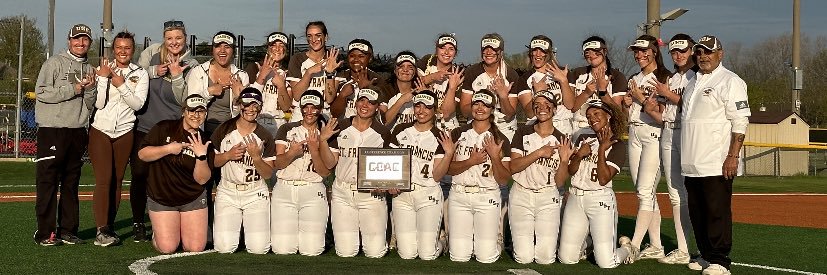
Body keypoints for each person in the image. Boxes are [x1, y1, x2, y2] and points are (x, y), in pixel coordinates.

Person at [681, 35, 749, 275]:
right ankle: (706, 255)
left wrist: (732, 156)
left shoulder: (731, 81)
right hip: (691, 162)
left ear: (721, 53)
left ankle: (720, 260)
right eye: (699, 52)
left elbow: (740, 121)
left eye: (709, 52)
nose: (703, 56)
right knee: (697, 212)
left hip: (716, 162)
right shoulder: (692, 81)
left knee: (716, 212)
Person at [131, 20, 198, 242]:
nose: (174, 42)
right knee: (140, 175)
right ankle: (138, 222)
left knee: (169, 177)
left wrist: (177, 75)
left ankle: (175, 221)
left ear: (185, 38)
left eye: (178, 38)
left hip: (172, 129)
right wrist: (153, 71)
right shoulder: (151, 53)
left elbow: (186, 101)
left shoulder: (193, 64)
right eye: (169, 38)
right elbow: (135, 75)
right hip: (146, 127)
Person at [33, 23, 97, 246]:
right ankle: (45, 233)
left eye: (85, 39)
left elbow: (91, 102)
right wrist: (74, 89)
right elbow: (41, 93)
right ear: (69, 41)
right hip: (52, 130)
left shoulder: (90, 69)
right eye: (77, 39)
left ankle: (68, 230)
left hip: (77, 131)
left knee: (71, 184)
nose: (81, 43)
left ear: (90, 42)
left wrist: (88, 90)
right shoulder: (54, 63)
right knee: (48, 182)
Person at [458, 33, 519, 253]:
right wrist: (480, 106)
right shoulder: (473, 72)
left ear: (501, 51)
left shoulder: (510, 73)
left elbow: (511, 113)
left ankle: (499, 234)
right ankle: (470, 230)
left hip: (503, 127)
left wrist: (502, 95)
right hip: (478, 124)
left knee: (500, 180)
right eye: (486, 49)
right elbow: (464, 107)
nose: (489, 52)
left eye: (493, 49)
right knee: (473, 171)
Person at [319, 88, 397, 258]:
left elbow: (389, 168)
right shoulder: (339, 127)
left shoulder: (383, 133)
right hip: (343, 192)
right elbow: (330, 163)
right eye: (362, 100)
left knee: (375, 253)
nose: (365, 105)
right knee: (346, 252)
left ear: (377, 107)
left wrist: (384, 184)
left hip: (371, 196)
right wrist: (323, 140)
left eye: (371, 102)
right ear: (355, 103)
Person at [557, 101, 636, 268]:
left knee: (607, 262)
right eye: (589, 116)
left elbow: (603, 179)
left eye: (596, 114)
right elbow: (571, 171)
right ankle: (591, 243)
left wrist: (601, 149)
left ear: (608, 116)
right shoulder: (582, 138)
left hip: (600, 199)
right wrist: (578, 156)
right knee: (566, 258)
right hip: (576, 198)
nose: (592, 118)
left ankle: (628, 249)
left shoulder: (617, 145)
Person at [89, 31, 148, 247]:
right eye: (119, 47)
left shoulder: (140, 74)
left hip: (125, 132)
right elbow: (99, 103)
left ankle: (109, 227)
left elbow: (138, 104)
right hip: (101, 130)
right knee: (104, 179)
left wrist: (120, 83)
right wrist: (104, 78)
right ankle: (101, 230)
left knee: (117, 181)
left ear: (133, 50)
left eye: (127, 48)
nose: (123, 51)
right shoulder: (102, 69)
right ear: (114, 49)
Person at [645, 33, 699, 265]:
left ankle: (688, 248)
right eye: (674, 52)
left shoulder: (697, 76)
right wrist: (649, 107)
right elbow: (664, 114)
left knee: (689, 193)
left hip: (688, 134)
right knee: (674, 192)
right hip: (668, 131)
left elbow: (696, 106)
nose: (677, 56)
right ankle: (682, 248)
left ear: (692, 51)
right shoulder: (674, 78)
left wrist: (668, 95)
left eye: (682, 51)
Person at [138, 94, 213, 254]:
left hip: (192, 197)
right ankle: (160, 234)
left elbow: (202, 180)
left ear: (205, 114)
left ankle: (188, 231)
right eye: (191, 111)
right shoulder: (164, 127)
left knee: (195, 248)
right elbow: (142, 154)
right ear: (183, 112)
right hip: (162, 197)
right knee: (168, 247)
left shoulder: (205, 140)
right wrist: (168, 149)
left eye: (200, 111)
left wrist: (201, 156)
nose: (196, 115)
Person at [623, 34, 673, 261]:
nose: (639, 55)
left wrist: (639, 98)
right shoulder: (634, 77)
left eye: (644, 50)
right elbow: (628, 115)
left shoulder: (663, 77)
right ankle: (656, 245)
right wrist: (626, 104)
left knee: (645, 191)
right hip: (634, 132)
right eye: (636, 51)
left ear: (654, 51)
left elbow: (663, 115)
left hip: (653, 134)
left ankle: (633, 245)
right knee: (644, 193)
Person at [388, 90, 455, 260]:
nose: (421, 111)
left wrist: (448, 154)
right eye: (418, 106)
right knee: (407, 254)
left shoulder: (440, 135)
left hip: (428, 193)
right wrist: (391, 183)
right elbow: (390, 163)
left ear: (435, 110)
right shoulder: (401, 129)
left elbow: (438, 176)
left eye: (427, 107)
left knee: (427, 254)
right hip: (402, 195)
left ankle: (442, 242)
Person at [508, 90, 572, 264]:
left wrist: (565, 160)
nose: (542, 108)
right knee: (524, 258)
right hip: (521, 194)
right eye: (537, 105)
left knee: (545, 259)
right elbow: (514, 167)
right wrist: (539, 153)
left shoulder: (562, 139)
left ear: (554, 108)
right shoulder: (522, 132)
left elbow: (559, 181)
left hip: (547, 195)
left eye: (547, 105)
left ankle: (579, 244)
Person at [447, 89, 511, 263]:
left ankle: (494, 242)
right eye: (476, 103)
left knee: (485, 257)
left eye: (485, 104)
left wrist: (495, 158)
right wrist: (471, 161)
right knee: (459, 257)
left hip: (487, 196)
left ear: (492, 109)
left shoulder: (500, 138)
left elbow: (504, 179)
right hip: (459, 195)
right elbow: (449, 169)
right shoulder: (458, 133)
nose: (480, 108)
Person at [211, 88, 276, 254]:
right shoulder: (223, 130)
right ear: (240, 105)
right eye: (247, 104)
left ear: (260, 108)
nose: (251, 109)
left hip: (255, 192)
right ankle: (235, 231)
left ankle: (243, 231)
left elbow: (268, 174)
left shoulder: (265, 135)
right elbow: (213, 162)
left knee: (259, 248)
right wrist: (228, 155)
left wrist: (256, 158)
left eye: (255, 105)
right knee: (224, 248)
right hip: (228, 191)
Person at [270, 90, 332, 256]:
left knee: (312, 250)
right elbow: (278, 163)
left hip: (312, 188)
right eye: (306, 107)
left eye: (314, 107)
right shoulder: (287, 128)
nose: (310, 112)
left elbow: (325, 172)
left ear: (320, 109)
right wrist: (292, 153)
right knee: (282, 249)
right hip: (285, 188)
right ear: (301, 108)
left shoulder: (327, 133)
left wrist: (314, 149)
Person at [188, 31, 250, 136]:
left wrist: (237, 99)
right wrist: (209, 91)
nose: (222, 51)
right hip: (201, 131)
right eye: (218, 46)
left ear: (233, 50)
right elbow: (191, 105)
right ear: (212, 49)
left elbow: (246, 113)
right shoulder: (198, 72)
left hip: (231, 132)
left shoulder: (242, 76)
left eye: (227, 47)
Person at [568, 36, 627, 141]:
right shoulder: (577, 73)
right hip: (580, 128)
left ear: (605, 51)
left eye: (596, 51)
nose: (591, 55)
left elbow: (617, 111)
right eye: (587, 52)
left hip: (605, 129)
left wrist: (603, 92)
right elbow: (572, 107)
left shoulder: (617, 76)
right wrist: (586, 93)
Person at [514, 35, 575, 135]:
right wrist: (538, 92)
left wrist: (563, 81)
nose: (538, 54)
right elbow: (529, 113)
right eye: (534, 50)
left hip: (563, 127)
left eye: (542, 51)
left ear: (549, 53)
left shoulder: (564, 72)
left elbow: (570, 105)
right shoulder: (525, 78)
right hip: (537, 127)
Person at [286, 21, 340, 121]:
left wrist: (329, 74)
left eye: (318, 35)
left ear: (326, 37)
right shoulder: (297, 59)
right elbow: (297, 96)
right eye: (309, 36)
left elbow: (330, 98)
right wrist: (309, 72)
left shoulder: (333, 59)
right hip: (301, 113)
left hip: (324, 113)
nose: (313, 40)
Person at [247, 32, 293, 137]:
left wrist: (281, 86)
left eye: (281, 45)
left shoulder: (288, 72)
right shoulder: (254, 67)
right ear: (268, 48)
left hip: (278, 122)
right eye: (273, 45)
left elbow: (286, 107)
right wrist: (262, 76)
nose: (277, 49)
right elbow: (248, 99)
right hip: (255, 120)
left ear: (285, 50)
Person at [330, 39, 389, 120]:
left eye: (361, 56)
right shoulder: (340, 77)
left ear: (370, 58)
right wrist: (342, 96)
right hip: (342, 129)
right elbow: (334, 114)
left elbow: (382, 118)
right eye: (352, 56)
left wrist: (366, 89)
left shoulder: (378, 81)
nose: (356, 59)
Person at [416, 33, 463, 132]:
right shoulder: (427, 60)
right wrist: (433, 76)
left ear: (455, 53)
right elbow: (414, 84)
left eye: (451, 49)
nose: (446, 52)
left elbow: (446, 113)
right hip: (421, 121)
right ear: (436, 49)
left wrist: (452, 88)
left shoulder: (458, 74)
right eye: (442, 48)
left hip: (446, 126)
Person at [384, 51, 421, 129]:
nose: (405, 70)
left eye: (410, 67)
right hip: (391, 139)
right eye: (401, 66)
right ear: (395, 70)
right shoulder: (386, 90)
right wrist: (402, 100)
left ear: (415, 72)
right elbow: (384, 121)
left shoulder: (420, 91)